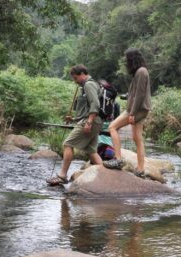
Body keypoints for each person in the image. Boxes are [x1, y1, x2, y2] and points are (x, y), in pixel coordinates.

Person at [47, 65, 105, 186]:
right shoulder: (90, 85)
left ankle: (62, 176)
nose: (75, 81)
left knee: (67, 144)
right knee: (91, 151)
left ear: (82, 74)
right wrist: (73, 119)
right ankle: (104, 175)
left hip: (91, 121)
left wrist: (89, 122)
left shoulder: (88, 85)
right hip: (96, 121)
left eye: (75, 78)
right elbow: (87, 108)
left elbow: (95, 104)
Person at [103, 49, 151, 177]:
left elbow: (140, 95)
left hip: (136, 110)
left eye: (127, 59)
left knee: (112, 127)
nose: (126, 62)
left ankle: (118, 160)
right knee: (137, 138)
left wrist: (132, 114)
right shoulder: (140, 72)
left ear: (132, 59)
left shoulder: (141, 72)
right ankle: (140, 169)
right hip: (139, 109)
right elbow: (137, 93)